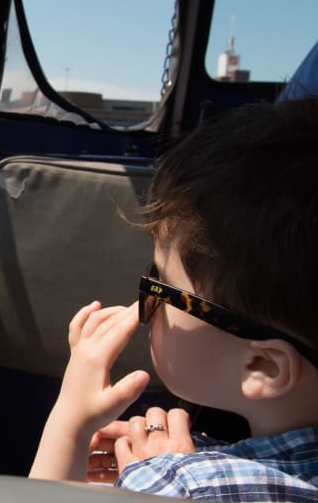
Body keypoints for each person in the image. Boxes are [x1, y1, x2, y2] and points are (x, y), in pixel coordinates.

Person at [29, 98, 318, 500]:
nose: (142, 308)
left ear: (263, 366)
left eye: (160, 289)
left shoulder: (179, 486)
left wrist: (70, 425)